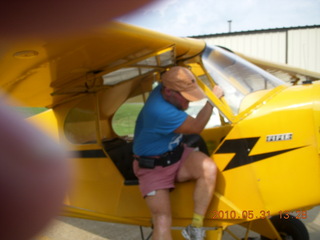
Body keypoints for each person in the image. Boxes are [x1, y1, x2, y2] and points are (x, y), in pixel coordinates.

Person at [133, 66, 224, 240]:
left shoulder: (165, 86)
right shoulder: (160, 111)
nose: (189, 103)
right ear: (168, 91)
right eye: (186, 98)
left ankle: (195, 227)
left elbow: (175, 72)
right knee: (162, 220)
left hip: (176, 154)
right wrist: (212, 101)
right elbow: (197, 127)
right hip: (152, 167)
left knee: (208, 168)